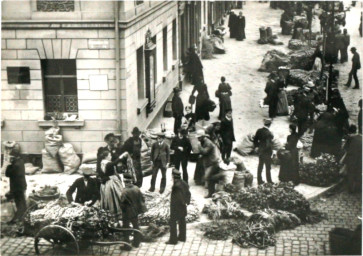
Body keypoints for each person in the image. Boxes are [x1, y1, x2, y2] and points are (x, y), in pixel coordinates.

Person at [120, 173, 146, 251]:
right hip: (135, 211)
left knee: (126, 228)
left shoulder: (124, 191)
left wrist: (123, 211)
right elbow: (142, 198)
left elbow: (122, 204)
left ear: (125, 181)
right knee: (136, 226)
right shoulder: (136, 188)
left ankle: (127, 245)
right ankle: (136, 243)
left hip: (127, 212)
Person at [166, 169, 191, 245]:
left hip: (176, 207)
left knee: (172, 222)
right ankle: (182, 237)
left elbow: (177, 198)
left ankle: (173, 240)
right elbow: (188, 194)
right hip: (183, 207)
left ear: (173, 176)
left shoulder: (176, 186)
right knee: (182, 221)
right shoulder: (184, 183)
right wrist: (187, 202)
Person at [99, 150, 125, 220]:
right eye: (110, 155)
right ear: (106, 156)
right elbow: (114, 163)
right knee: (117, 195)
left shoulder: (101, 162)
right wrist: (121, 157)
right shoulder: (108, 163)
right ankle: (117, 212)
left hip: (105, 182)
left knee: (107, 197)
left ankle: (108, 212)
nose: (110, 156)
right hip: (111, 182)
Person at [5, 146, 27, 224]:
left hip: (16, 187)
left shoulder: (15, 165)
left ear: (14, 156)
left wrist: (8, 165)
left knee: (19, 203)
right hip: (22, 186)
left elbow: (7, 174)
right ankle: (24, 216)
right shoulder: (21, 162)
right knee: (22, 201)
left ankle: (18, 218)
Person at [197, 130, 221, 198]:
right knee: (211, 178)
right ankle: (213, 191)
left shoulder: (208, 143)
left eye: (198, 137)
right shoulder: (203, 141)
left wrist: (199, 146)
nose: (197, 139)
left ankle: (211, 193)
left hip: (213, 162)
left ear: (202, 137)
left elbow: (205, 152)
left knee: (208, 177)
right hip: (208, 162)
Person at [253, 119, 274, 185]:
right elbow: (268, 145)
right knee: (268, 167)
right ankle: (269, 181)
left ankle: (259, 181)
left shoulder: (259, 130)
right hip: (267, 152)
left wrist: (257, 147)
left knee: (260, 166)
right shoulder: (269, 133)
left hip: (260, 151)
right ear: (269, 125)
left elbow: (255, 140)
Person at [342, 125, 362, 193]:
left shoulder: (350, 139)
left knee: (350, 173)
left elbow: (345, 149)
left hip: (352, 158)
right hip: (360, 159)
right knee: (358, 173)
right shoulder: (360, 138)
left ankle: (350, 189)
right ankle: (358, 188)